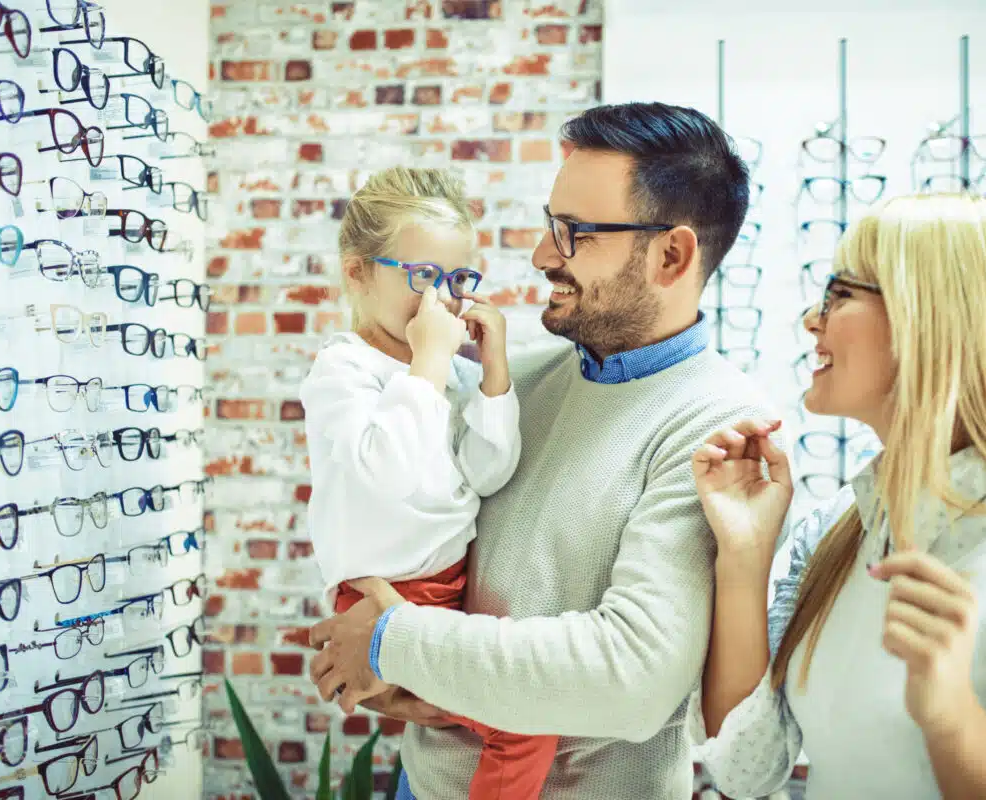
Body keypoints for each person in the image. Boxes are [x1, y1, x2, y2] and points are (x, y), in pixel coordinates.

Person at [308, 102, 779, 799]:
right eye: (549, 225)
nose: (540, 256)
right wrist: (377, 660)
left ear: (671, 255)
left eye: (574, 233)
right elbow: (389, 520)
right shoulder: (510, 381)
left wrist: (392, 640)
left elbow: (629, 679)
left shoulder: (718, 433)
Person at [691, 193, 986, 799]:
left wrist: (950, 716)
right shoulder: (836, 531)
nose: (812, 321)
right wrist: (744, 556)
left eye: (840, 295)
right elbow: (742, 771)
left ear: (927, 319)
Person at [299, 166, 564, 799]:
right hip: (388, 597)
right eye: (420, 276)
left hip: (445, 595)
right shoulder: (345, 370)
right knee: (522, 727)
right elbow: (386, 470)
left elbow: (488, 471)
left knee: (497, 719)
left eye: (455, 279)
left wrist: (492, 369)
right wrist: (430, 361)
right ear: (358, 272)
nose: (439, 298)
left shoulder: (447, 371)